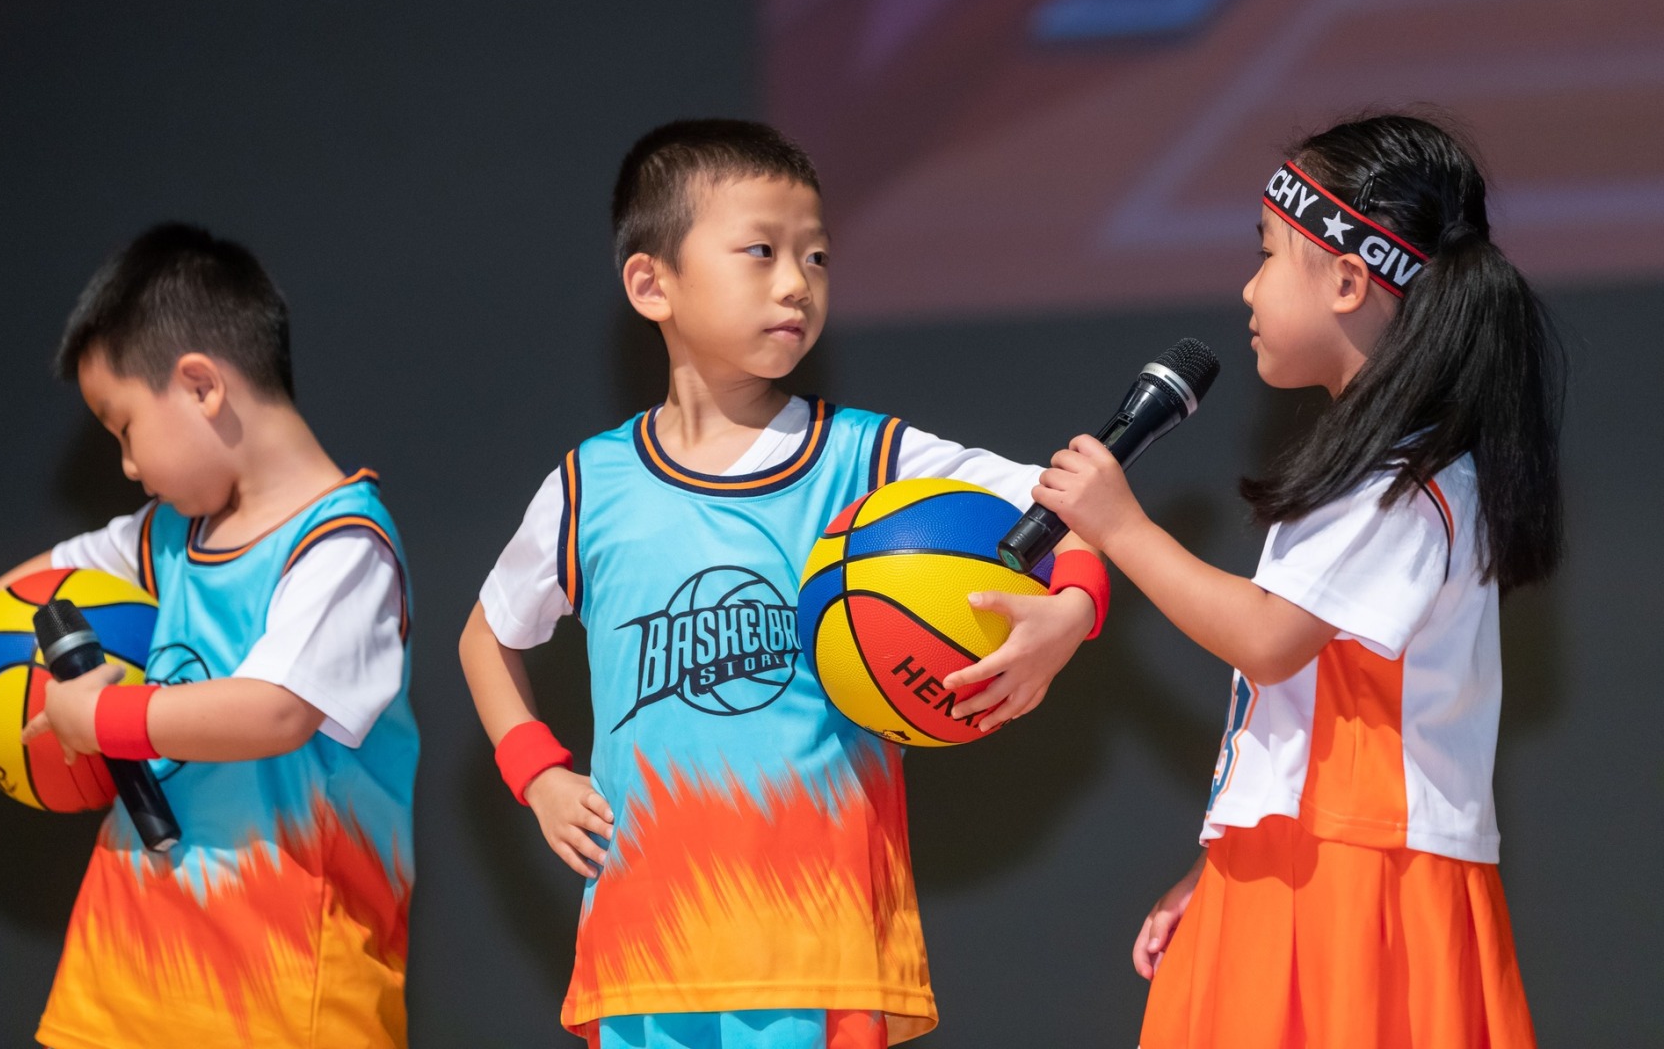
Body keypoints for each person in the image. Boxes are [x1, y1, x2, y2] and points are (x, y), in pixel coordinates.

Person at [457, 119, 1110, 1048]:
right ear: (651, 285)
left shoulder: (869, 459)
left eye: (817, 256)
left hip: (821, 946)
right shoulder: (588, 484)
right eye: (761, 251)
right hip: (647, 950)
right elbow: (486, 634)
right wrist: (540, 776)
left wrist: (1071, 613)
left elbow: (1076, 504)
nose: (798, 282)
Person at [1033, 114, 1560, 1048]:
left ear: (1348, 281)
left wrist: (1121, 527)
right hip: (1304, 862)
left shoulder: (1407, 480)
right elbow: (1301, 707)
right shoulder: (1374, 470)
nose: (1248, 286)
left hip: (1360, 882)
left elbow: (1269, 640)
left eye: (1267, 254)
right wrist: (1229, 857)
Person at [0, 224, 418, 1049]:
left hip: (286, 998)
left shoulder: (343, 546)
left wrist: (99, 720)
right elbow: (43, 581)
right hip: (120, 979)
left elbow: (275, 709)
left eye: (123, 429)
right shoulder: (168, 537)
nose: (128, 466)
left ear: (201, 386)